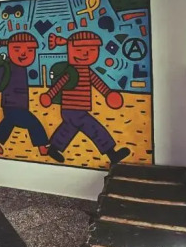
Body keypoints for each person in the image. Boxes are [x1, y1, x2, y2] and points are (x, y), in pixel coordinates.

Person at [40, 31, 131, 164]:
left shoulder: (87, 71)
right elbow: (59, 84)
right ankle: (112, 154)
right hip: (72, 108)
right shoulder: (71, 72)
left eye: (92, 50)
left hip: (77, 109)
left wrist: (108, 94)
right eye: (79, 50)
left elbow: (98, 83)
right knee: (94, 128)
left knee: (68, 129)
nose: (85, 54)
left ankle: (53, 148)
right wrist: (49, 95)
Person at [0, 32, 49, 156]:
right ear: (9, 50)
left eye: (30, 50)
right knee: (33, 123)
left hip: (21, 104)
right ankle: (42, 146)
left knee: (8, 123)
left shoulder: (22, 67)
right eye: (17, 49)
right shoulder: (6, 67)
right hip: (11, 103)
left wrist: (2, 42)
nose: (23, 54)